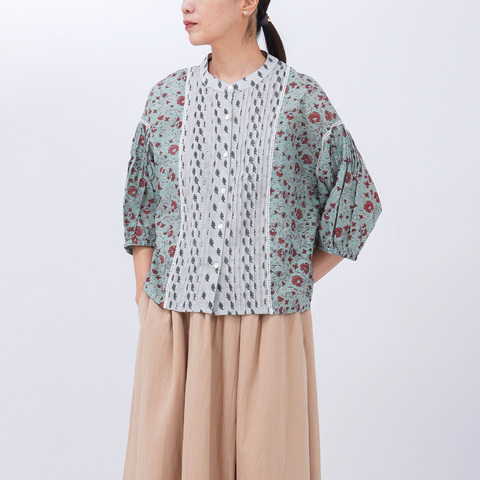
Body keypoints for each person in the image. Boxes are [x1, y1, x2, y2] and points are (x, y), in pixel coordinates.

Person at [121, 0, 383, 479]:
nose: (186, 5)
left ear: (247, 4)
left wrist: (292, 277)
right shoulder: (166, 98)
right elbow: (142, 207)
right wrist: (145, 300)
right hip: (176, 329)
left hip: (268, 331)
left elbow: (357, 202)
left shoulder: (300, 100)